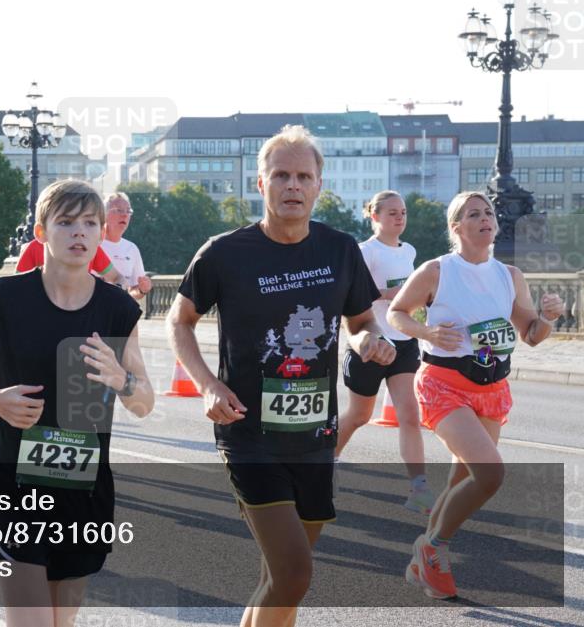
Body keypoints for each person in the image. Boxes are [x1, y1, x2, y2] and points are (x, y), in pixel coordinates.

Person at [167, 125, 395, 627]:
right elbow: (178, 320)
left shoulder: (339, 250)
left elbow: (359, 320)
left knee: (280, 580)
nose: (293, 185)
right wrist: (208, 383)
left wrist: (367, 341)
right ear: (260, 183)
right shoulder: (224, 252)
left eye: (304, 176)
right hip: (249, 436)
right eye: (281, 175)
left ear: (318, 185)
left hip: (315, 437)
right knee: (293, 573)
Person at [0, 179, 154, 627]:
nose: (79, 233)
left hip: (84, 487)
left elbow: (144, 403)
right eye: (66, 222)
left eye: (90, 223)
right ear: (41, 232)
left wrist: (121, 378)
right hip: (16, 482)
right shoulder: (3, 296)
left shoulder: (118, 310)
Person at [387, 191, 563, 600]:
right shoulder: (437, 271)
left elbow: (532, 335)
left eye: (488, 213)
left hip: (492, 387)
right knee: (491, 473)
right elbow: (397, 311)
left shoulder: (510, 276)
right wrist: (427, 332)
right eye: (473, 214)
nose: (485, 219)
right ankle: (434, 549)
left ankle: (423, 556)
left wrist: (549, 319)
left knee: (463, 478)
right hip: (443, 384)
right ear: (456, 227)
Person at [335, 191, 433, 513]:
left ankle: (419, 487)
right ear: (374, 216)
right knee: (359, 415)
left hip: (403, 344)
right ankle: (327, 462)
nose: (399, 217)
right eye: (391, 212)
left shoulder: (410, 251)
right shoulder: (365, 251)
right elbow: (350, 296)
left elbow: (411, 293)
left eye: (402, 212)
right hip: (370, 342)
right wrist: (390, 293)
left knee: (409, 415)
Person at [101, 192, 152, 301]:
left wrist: (142, 289)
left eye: (128, 211)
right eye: (119, 210)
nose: (125, 215)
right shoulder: (91, 244)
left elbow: (132, 291)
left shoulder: (132, 249)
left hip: (119, 314)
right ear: (104, 214)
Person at [16, 235, 121, 285]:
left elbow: (117, 277)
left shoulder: (91, 247)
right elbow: (17, 287)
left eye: (88, 222)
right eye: (65, 222)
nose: (78, 230)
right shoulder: (34, 247)